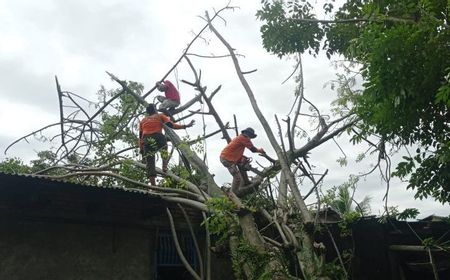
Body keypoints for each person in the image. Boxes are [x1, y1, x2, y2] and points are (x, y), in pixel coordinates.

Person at [139, 104, 194, 185]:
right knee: (164, 147)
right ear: (155, 110)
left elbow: (140, 137)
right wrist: (185, 126)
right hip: (158, 136)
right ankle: (164, 167)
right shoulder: (160, 116)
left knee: (150, 163)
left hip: (146, 139)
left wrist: (141, 149)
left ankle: (153, 186)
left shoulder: (143, 120)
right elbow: (171, 125)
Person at [220, 127, 265, 193]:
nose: (250, 138)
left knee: (242, 165)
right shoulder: (244, 138)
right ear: (248, 134)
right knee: (237, 178)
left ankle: (246, 181)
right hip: (227, 159)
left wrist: (242, 157)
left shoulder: (240, 138)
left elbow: (236, 150)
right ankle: (233, 194)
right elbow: (253, 149)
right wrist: (260, 150)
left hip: (228, 157)